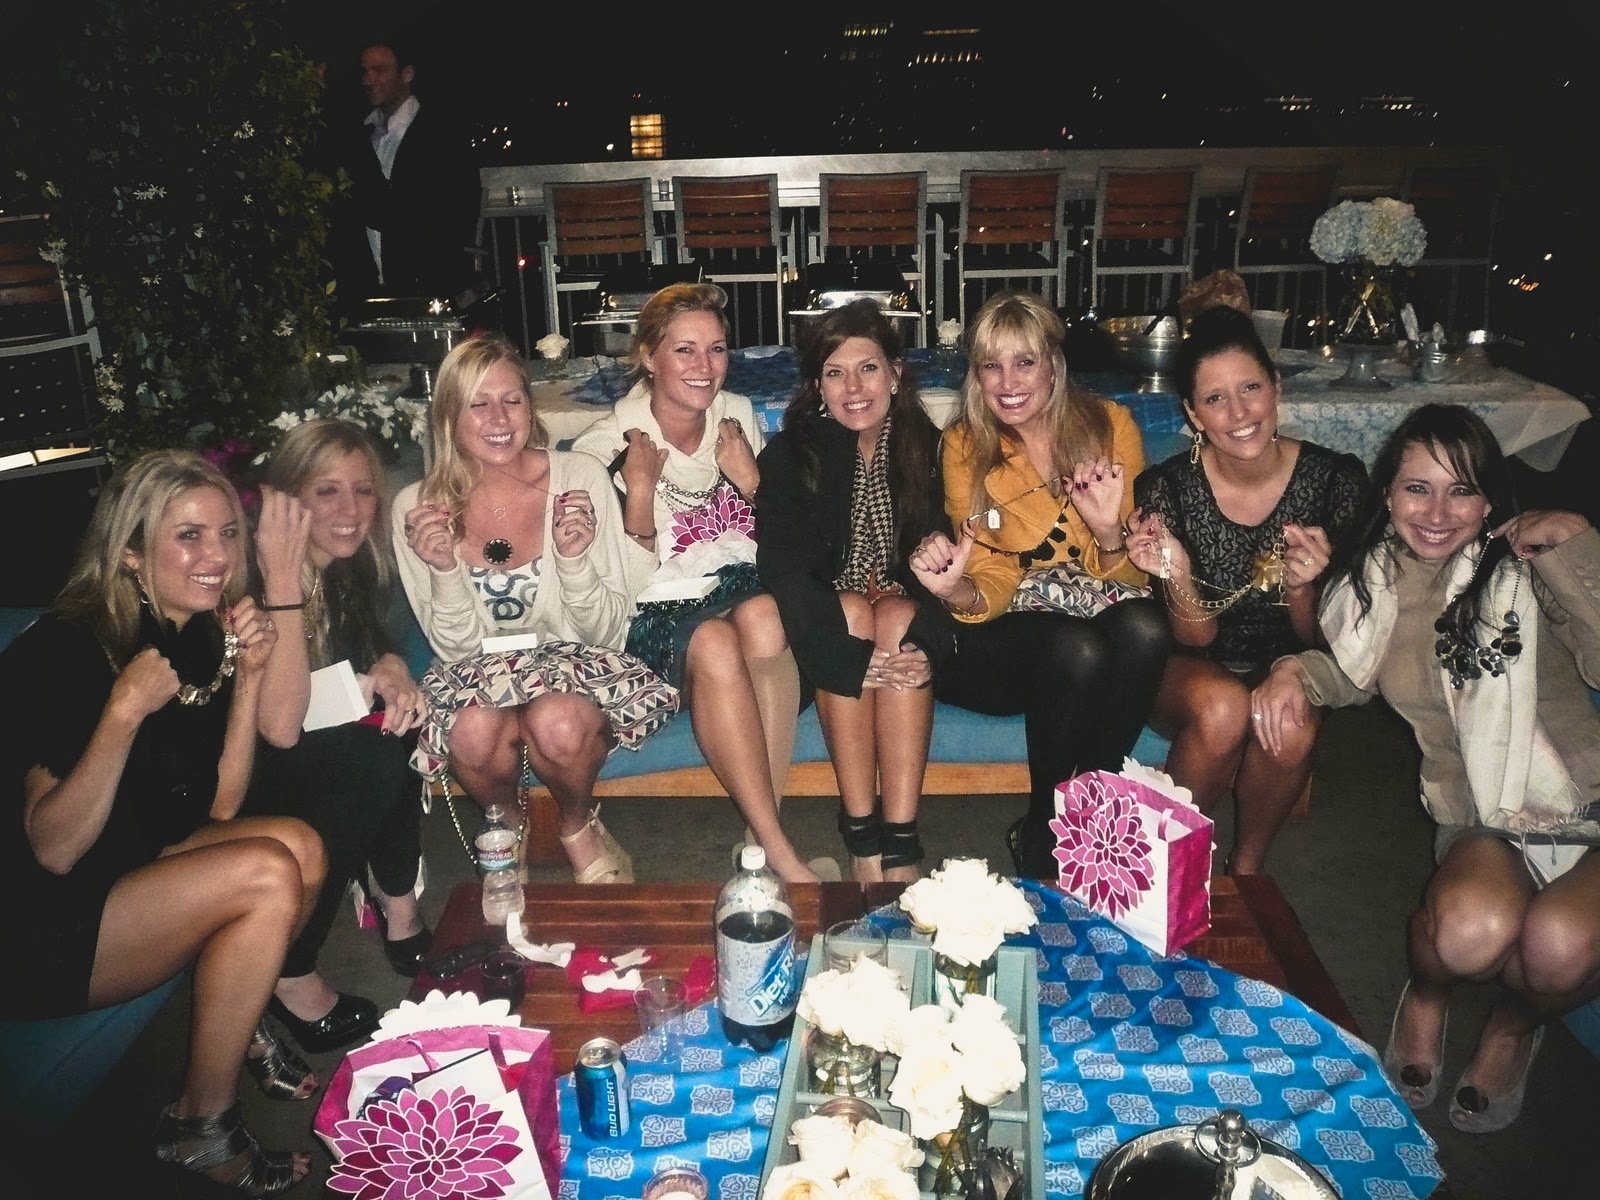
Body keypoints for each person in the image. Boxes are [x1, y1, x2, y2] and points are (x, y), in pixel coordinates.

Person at [1253, 403, 1600, 1133]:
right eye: (1418, 488)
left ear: (1489, 500)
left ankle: (1514, 1026)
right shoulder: (1372, 583)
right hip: (1480, 812)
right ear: (1387, 493)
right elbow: (1351, 673)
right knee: (1467, 935)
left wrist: (1577, 544)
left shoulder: (1528, 565)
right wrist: (1293, 670)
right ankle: (1430, 992)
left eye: (1461, 490)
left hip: (1588, 801)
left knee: (1557, 950)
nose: (1438, 514)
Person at [0, 450, 326, 1193]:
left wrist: (249, 678)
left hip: (130, 867)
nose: (217, 556)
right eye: (188, 536)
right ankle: (201, 1129)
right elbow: (53, 850)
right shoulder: (64, 648)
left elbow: (219, 809)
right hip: (40, 926)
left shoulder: (194, 632)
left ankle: (239, 1010)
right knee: (267, 874)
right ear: (129, 553)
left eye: (227, 533)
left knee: (301, 847)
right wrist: (120, 713)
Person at [394, 334, 678, 883]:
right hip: (474, 668)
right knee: (472, 730)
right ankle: (506, 828)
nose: (499, 418)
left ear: (531, 406)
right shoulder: (417, 507)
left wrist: (573, 561)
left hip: (577, 661)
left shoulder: (579, 478)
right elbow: (455, 648)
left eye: (512, 400)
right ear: (448, 417)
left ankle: (577, 824)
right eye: (478, 404)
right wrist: (445, 570)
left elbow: (605, 632)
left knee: (557, 720)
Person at [909, 292, 1172, 879]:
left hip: (1099, 602)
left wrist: (1108, 531)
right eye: (991, 365)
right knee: (1075, 646)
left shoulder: (1110, 426)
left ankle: (1095, 810)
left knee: (1145, 627)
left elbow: (1135, 576)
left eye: (1025, 362)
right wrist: (956, 592)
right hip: (1001, 634)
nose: (1008, 383)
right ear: (975, 375)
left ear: (1054, 363)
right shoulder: (966, 445)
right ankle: (1043, 828)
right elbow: (990, 568)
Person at [572, 283, 824, 883]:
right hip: (652, 614)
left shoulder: (736, 419)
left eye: (716, 349)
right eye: (684, 350)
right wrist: (638, 494)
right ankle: (778, 852)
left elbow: (783, 538)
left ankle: (757, 840)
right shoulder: (602, 449)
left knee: (766, 616)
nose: (704, 367)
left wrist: (753, 481)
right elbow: (610, 583)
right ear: (648, 357)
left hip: (739, 593)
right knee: (714, 641)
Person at [1126, 304, 1367, 874]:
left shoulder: (1335, 482)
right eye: (1215, 398)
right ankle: (1160, 868)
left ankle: (1247, 870)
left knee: (1292, 717)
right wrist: (1177, 571)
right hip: (1190, 667)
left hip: (1291, 657)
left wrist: (1305, 588)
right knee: (1223, 707)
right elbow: (1195, 637)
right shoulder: (1167, 489)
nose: (1239, 413)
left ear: (1276, 387)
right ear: (1193, 414)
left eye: (1251, 388)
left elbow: (1327, 644)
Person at [239, 418, 430, 1055]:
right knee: (369, 754)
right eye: (327, 492)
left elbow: (371, 646)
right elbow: (277, 726)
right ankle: (288, 970)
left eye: (363, 490)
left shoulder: (348, 567)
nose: (350, 510)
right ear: (287, 500)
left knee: (401, 720)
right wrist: (283, 579)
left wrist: (392, 670)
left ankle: (397, 902)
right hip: (239, 770)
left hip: (302, 736)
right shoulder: (256, 578)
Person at [756, 301, 954, 882]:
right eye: (835, 373)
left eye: (868, 368)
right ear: (817, 386)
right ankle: (862, 839)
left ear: (895, 373)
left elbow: (960, 562)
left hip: (906, 619)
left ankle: (901, 845)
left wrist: (930, 643)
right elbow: (786, 569)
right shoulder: (791, 454)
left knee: (896, 619)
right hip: (823, 633)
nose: (854, 388)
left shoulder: (935, 450)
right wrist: (838, 655)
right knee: (849, 613)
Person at [333, 36, 479, 305]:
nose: (368, 79)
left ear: (407, 74)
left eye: (379, 70)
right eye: (365, 71)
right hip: (369, 290)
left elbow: (457, 209)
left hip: (427, 287)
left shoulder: (440, 132)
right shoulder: (361, 134)